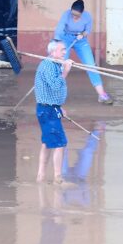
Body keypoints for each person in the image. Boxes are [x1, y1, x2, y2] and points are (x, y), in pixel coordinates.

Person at [54, 0, 113, 104]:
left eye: (77, 16)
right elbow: (59, 29)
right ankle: (55, 94)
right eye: (72, 14)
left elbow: (87, 30)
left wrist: (83, 34)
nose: (74, 17)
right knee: (61, 65)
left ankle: (102, 95)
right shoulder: (66, 14)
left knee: (91, 65)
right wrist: (58, 43)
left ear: (82, 13)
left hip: (80, 40)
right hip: (66, 39)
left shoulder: (87, 16)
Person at [34, 39, 73, 183]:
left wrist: (59, 107)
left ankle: (41, 176)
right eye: (62, 49)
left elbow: (52, 91)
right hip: (47, 110)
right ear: (53, 52)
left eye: (64, 49)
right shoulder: (49, 65)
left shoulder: (55, 64)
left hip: (50, 108)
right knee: (59, 143)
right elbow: (56, 85)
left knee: (47, 143)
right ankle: (58, 178)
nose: (65, 52)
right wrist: (66, 71)